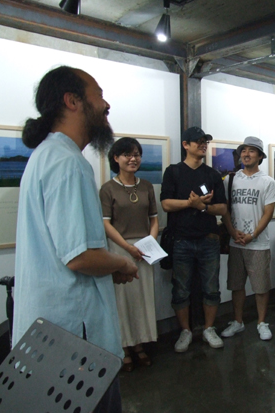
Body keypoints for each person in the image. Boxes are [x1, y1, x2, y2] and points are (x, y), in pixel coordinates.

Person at [12, 66, 139, 412]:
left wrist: (108, 266)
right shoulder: (68, 162)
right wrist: (122, 263)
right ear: (73, 101)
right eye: (99, 94)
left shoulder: (46, 156)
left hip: (51, 337)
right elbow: (80, 257)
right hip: (74, 339)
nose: (106, 104)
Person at [160, 127, 227, 352]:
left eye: (205, 141)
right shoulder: (173, 172)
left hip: (209, 239)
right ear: (185, 145)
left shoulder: (213, 174)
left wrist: (203, 207)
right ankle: (185, 331)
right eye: (198, 141)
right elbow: (166, 204)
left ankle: (209, 328)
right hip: (181, 240)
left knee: (211, 288)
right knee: (181, 289)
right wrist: (191, 203)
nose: (203, 145)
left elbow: (222, 208)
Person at [100, 137, 159, 372]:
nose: (133, 159)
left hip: (145, 249)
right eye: (127, 154)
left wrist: (150, 241)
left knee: (143, 299)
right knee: (122, 301)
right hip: (120, 250)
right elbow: (106, 224)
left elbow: (154, 219)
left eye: (137, 154)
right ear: (116, 158)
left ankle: (140, 344)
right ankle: (124, 347)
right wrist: (128, 248)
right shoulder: (108, 189)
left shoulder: (146, 186)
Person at [220, 136, 275, 341]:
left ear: (260, 156)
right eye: (243, 150)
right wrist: (232, 231)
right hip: (236, 242)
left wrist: (253, 235)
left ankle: (261, 322)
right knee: (236, 285)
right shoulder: (231, 180)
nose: (246, 154)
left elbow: (268, 212)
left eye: (251, 151)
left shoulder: (267, 181)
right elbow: (225, 209)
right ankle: (238, 321)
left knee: (261, 287)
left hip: (258, 243)